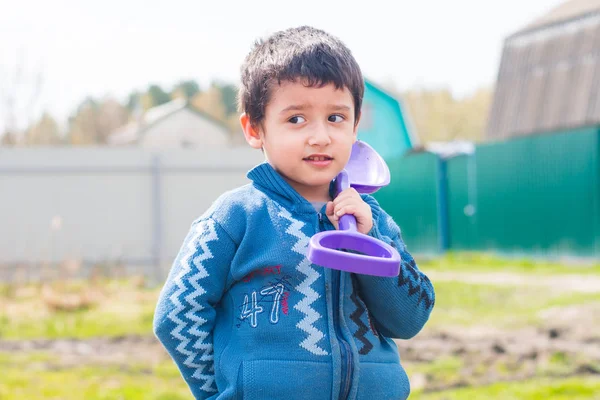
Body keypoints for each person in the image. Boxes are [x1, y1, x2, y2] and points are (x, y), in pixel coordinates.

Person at [153, 25, 435, 400]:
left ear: (355, 125)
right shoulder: (236, 217)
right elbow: (178, 316)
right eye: (296, 119)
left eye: (336, 118)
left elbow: (410, 318)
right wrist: (224, 392)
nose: (320, 136)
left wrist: (368, 243)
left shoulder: (373, 220)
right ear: (254, 129)